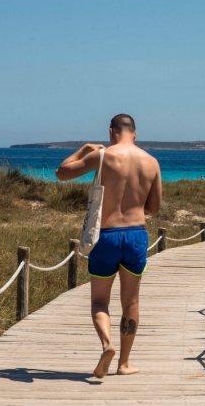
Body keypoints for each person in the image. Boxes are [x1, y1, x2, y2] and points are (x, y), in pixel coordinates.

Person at [56, 114, 162, 378]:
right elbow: (154, 208)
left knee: (100, 301)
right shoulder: (151, 162)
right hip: (136, 236)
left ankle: (107, 344)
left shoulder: (102, 156)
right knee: (132, 301)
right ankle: (124, 364)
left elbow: (62, 173)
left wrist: (84, 149)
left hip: (106, 236)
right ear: (135, 133)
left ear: (111, 131)